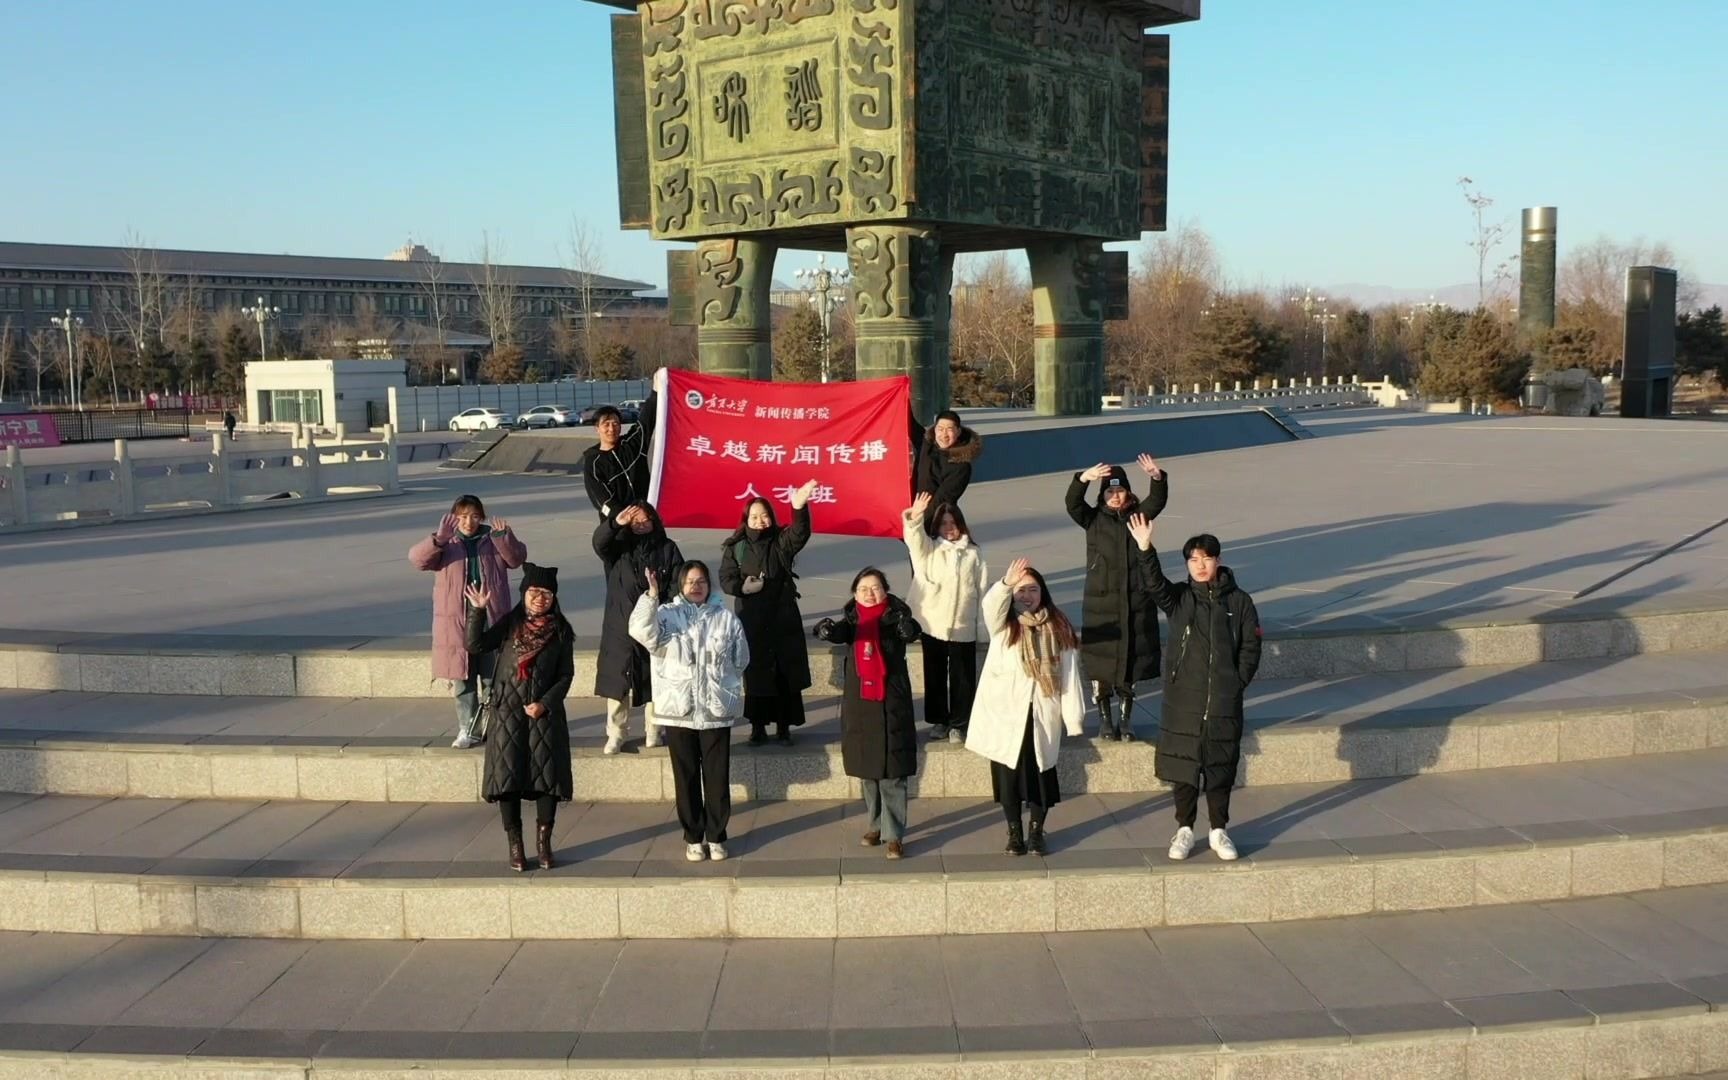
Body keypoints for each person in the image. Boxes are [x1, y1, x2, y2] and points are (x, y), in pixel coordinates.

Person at [1127, 513, 1262, 863]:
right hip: (1183, 700)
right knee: (1185, 769)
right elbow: (1153, 583)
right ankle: (1184, 829)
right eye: (1193, 559)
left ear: (1218, 561)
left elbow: (1251, 647)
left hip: (1222, 700)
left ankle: (1219, 830)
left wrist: (1236, 682)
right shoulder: (1180, 598)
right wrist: (1145, 546)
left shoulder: (1240, 602)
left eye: (1206, 558)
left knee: (1220, 766)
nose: (1200, 565)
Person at [630, 561, 750, 862]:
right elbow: (639, 630)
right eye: (690, 581)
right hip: (678, 709)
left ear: (709, 585)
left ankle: (717, 835)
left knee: (717, 777)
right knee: (685, 777)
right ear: (681, 585)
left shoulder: (726, 618)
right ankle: (694, 837)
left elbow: (741, 658)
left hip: (714, 710)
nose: (696, 586)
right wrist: (651, 595)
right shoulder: (666, 615)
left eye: (701, 581)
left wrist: (723, 686)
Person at [966, 558, 1086, 856]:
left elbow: (1070, 676)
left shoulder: (1059, 628)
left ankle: (1036, 831)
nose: (1027, 596)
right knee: (1008, 777)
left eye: (1032, 589)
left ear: (1042, 593)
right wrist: (1006, 583)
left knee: (1041, 777)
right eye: (1021, 591)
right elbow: (990, 606)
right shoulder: (1004, 625)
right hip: (1007, 716)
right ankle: (1014, 832)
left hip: (1042, 714)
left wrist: (1074, 719)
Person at [462, 564, 575, 872]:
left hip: (544, 717)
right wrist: (477, 612)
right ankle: (516, 846)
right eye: (534, 593)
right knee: (507, 781)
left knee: (546, 781)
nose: (540, 599)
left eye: (547, 594)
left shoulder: (561, 631)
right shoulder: (510, 624)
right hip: (507, 714)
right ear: (524, 594)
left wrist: (545, 703)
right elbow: (476, 645)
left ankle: (544, 844)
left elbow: (566, 675)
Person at [814, 567, 922, 859]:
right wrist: (824, 630)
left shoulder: (897, 617)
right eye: (863, 589)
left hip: (890, 700)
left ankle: (894, 834)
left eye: (875, 588)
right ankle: (875, 824)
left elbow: (911, 632)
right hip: (861, 703)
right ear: (854, 593)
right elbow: (838, 633)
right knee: (867, 770)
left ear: (885, 590)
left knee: (893, 773)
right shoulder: (852, 620)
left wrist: (909, 630)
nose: (870, 593)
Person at [408, 496, 527, 748]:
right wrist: (438, 539)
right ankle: (468, 728)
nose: (468, 522)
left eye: (474, 516)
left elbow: (516, 560)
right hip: (456, 621)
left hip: (491, 617)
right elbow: (417, 560)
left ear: (481, 516)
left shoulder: (492, 538)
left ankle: (496, 726)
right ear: (454, 517)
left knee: (492, 677)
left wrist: (505, 537)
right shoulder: (446, 542)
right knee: (463, 677)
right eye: (462, 516)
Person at [1065, 453, 1169, 740]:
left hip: (1135, 601)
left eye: (1119, 490)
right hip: (1102, 604)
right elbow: (1073, 504)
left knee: (1129, 664)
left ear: (1128, 493)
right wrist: (1082, 479)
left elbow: (1157, 501)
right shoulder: (1093, 519)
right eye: (1109, 491)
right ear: (1103, 494)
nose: (1114, 495)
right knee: (1101, 667)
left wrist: (1157, 478)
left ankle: (1125, 721)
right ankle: (1104, 720)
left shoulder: (1138, 516)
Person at [720, 480, 817, 746]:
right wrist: (744, 587)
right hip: (752, 620)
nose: (760, 520)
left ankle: (784, 726)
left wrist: (799, 506)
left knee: (785, 673)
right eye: (754, 516)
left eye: (764, 515)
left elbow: (800, 532)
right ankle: (758, 727)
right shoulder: (736, 547)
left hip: (783, 617)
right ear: (746, 519)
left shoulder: (781, 540)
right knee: (757, 674)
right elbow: (726, 578)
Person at [594, 501, 684, 754]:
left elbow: (678, 582)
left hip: (655, 625)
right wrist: (614, 524)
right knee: (617, 682)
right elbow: (599, 542)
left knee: (654, 679)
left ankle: (654, 731)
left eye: (646, 520)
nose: (641, 525)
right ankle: (616, 733)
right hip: (620, 626)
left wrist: (666, 607)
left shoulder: (668, 548)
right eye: (635, 521)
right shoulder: (617, 548)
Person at [902, 492, 988, 744]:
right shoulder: (929, 550)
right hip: (933, 623)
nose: (949, 528)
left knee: (963, 677)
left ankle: (960, 723)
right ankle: (939, 720)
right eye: (943, 523)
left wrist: (982, 626)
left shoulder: (974, 553)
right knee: (935, 674)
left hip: (963, 624)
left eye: (953, 522)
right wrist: (915, 518)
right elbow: (914, 540)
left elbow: (982, 589)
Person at [582, 391, 659, 521]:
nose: (611, 429)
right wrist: (627, 517)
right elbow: (601, 501)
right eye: (606, 424)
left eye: (615, 423)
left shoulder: (632, 445)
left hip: (645, 520)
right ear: (597, 428)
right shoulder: (593, 463)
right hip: (618, 524)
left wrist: (655, 393)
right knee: (599, 542)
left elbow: (646, 421)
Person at [913, 410, 983, 533]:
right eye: (940, 429)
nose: (944, 435)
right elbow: (908, 421)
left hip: (939, 526)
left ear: (958, 432)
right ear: (935, 430)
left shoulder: (961, 467)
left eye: (949, 429)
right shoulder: (927, 445)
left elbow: (941, 501)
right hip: (916, 517)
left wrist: (916, 524)